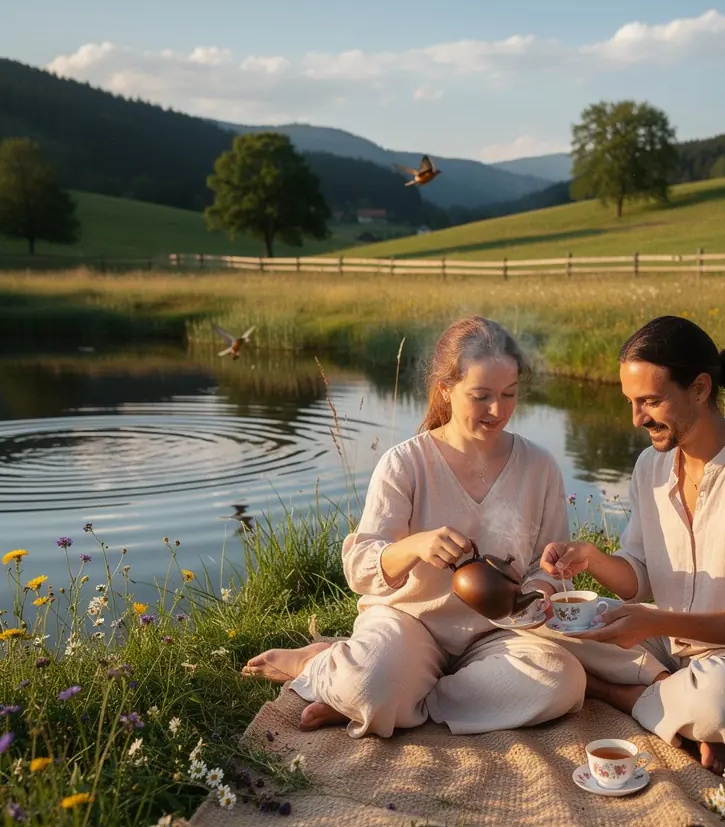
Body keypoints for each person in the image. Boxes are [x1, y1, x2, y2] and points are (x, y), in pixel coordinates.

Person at [243, 316, 586, 737]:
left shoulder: (539, 466)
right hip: (410, 623)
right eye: (481, 396)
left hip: (499, 634)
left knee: (563, 679)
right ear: (446, 388)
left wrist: (544, 588)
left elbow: (545, 565)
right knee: (372, 680)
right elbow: (360, 568)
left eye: (509, 394)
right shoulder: (405, 463)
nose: (498, 410)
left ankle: (398, 699)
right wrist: (415, 546)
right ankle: (325, 666)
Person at [540, 315, 725, 774]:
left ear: (700, 389)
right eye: (631, 402)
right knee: (548, 630)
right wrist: (592, 557)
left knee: (723, 701)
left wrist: (654, 621)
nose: (637, 418)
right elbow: (637, 577)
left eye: (651, 401)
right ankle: (679, 704)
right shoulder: (650, 467)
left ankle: (616, 693)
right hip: (673, 648)